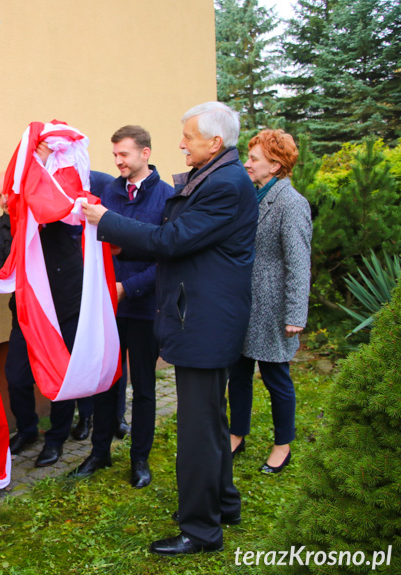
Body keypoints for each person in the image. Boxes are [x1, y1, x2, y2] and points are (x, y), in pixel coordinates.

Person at [83, 101, 256, 556]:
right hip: (206, 320)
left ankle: (201, 531)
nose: (180, 144)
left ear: (215, 143)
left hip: (205, 323)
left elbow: (171, 241)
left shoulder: (224, 184)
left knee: (198, 430)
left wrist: (106, 222)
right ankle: (225, 503)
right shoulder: (217, 176)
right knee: (212, 422)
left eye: (189, 138)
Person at [70, 126, 174, 488]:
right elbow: (97, 246)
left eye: (124, 155)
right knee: (104, 383)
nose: (118, 162)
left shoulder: (166, 197)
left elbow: (166, 258)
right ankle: (99, 453)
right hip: (107, 308)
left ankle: (139, 460)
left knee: (144, 388)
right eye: (115, 155)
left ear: (145, 153)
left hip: (144, 309)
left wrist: (126, 287)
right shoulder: (109, 192)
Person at [0, 171, 93, 468]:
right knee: (17, 378)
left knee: (62, 378)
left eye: (6, 192)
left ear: (17, 190)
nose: (3, 200)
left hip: (65, 310)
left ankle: (56, 439)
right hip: (27, 316)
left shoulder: (49, 216)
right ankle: (28, 430)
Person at [228, 129, 312, 474]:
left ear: (275, 166)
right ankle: (237, 433)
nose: (247, 163)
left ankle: (283, 444)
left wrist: (295, 314)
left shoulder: (292, 204)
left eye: (254, 159)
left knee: (277, 378)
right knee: (239, 374)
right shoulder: (252, 196)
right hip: (244, 302)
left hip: (274, 308)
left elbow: (299, 262)